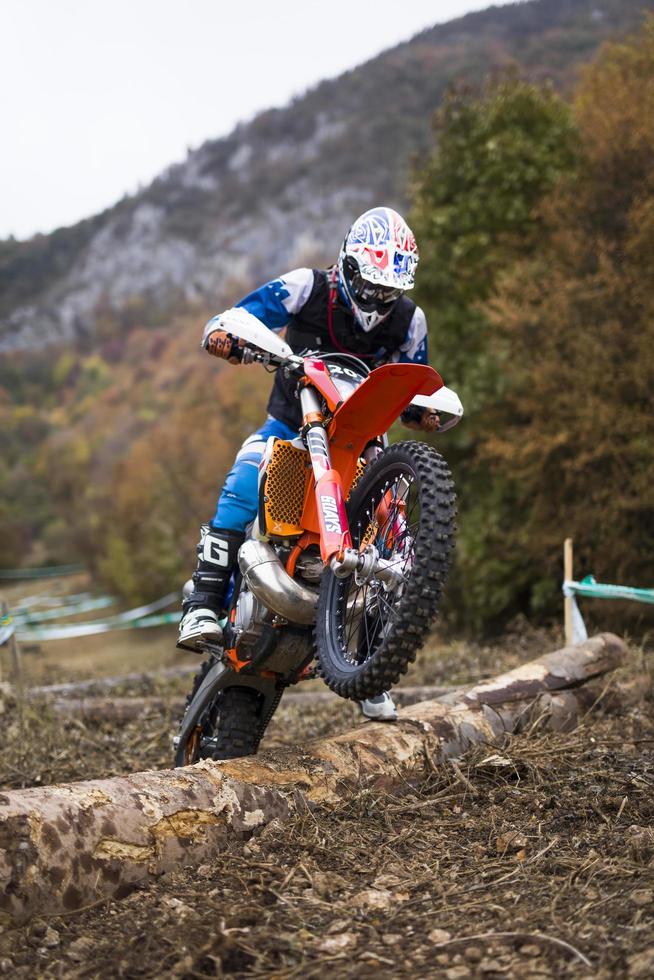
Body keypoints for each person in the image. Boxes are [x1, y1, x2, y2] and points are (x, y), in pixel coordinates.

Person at [177, 206, 439, 720]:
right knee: (245, 477)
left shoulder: (410, 320)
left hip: (363, 440)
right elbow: (240, 315)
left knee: (395, 530)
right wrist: (225, 335)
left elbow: (419, 382)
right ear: (348, 264)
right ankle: (204, 603)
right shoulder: (306, 287)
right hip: (291, 426)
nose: (376, 300)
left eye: (389, 291)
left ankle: (371, 661)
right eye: (369, 285)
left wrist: (425, 411)